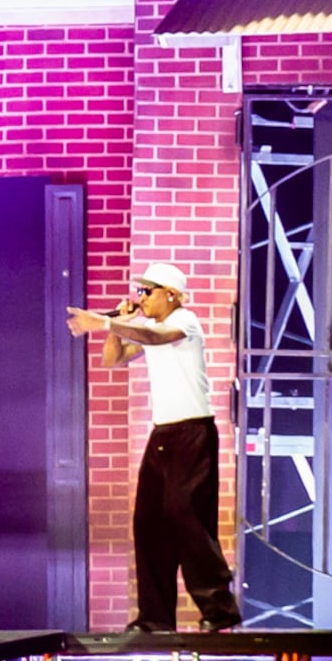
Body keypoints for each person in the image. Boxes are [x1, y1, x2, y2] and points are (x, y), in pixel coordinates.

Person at [70, 259, 239, 633]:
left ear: (171, 295)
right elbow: (112, 359)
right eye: (139, 291)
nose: (141, 298)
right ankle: (154, 618)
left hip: (193, 433)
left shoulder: (186, 321)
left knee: (187, 515)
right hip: (163, 436)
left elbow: (157, 339)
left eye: (148, 291)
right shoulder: (147, 324)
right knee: (148, 522)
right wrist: (120, 325)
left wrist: (105, 321)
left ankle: (219, 610)